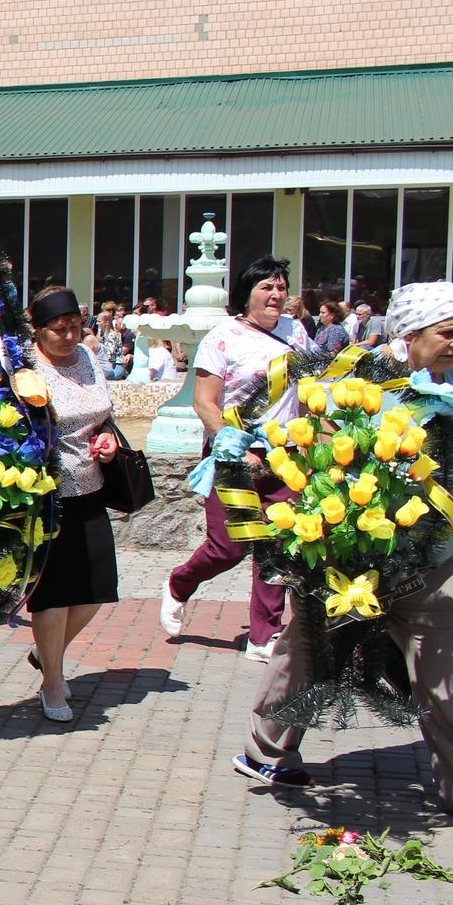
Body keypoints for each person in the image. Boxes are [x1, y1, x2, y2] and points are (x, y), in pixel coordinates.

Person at [239, 280, 453, 800]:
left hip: (438, 562)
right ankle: (266, 751)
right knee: (309, 654)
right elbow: (324, 458)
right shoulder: (359, 381)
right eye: (448, 332)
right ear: (410, 334)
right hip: (357, 559)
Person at [160, 256, 307, 662]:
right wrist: (233, 444)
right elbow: (205, 402)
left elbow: (311, 391)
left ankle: (263, 636)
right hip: (234, 453)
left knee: (278, 546)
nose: (276, 294)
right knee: (228, 546)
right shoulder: (223, 337)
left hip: (286, 455)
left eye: (281, 287)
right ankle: (178, 584)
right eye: (267, 287)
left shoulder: (297, 333)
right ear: (248, 295)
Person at [23, 290, 122, 723]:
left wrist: (109, 437)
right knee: (55, 595)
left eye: (74, 327)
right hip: (46, 495)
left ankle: (46, 655)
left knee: (99, 587)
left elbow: (103, 413)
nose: (68, 336)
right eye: (57, 329)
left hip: (92, 487)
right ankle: (52, 683)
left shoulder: (86, 355)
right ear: (38, 330)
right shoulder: (26, 367)